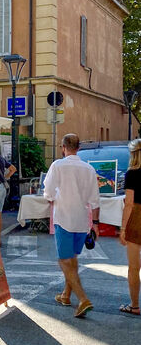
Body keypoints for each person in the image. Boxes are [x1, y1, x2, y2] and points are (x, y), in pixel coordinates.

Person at [43, 132, 100, 318]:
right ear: (79, 148)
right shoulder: (88, 169)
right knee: (72, 259)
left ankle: (83, 298)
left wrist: (52, 198)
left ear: (63, 147)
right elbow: (95, 201)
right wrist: (96, 224)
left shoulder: (57, 165)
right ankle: (66, 295)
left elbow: (48, 192)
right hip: (82, 220)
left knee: (64, 260)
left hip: (64, 217)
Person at [118, 138, 141, 316]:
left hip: (137, 220)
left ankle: (134, 305)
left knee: (134, 267)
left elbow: (129, 204)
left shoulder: (132, 174)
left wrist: (123, 229)